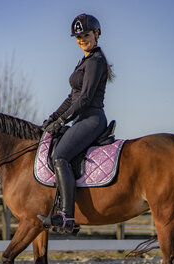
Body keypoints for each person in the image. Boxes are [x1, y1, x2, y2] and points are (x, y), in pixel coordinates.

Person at [41, 13, 114, 234]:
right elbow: (72, 97)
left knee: (59, 156)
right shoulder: (84, 61)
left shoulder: (96, 61)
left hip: (91, 118)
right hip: (81, 117)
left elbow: (84, 99)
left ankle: (66, 216)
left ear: (97, 34)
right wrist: (53, 118)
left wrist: (63, 120)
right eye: (78, 36)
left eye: (86, 35)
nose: (82, 39)